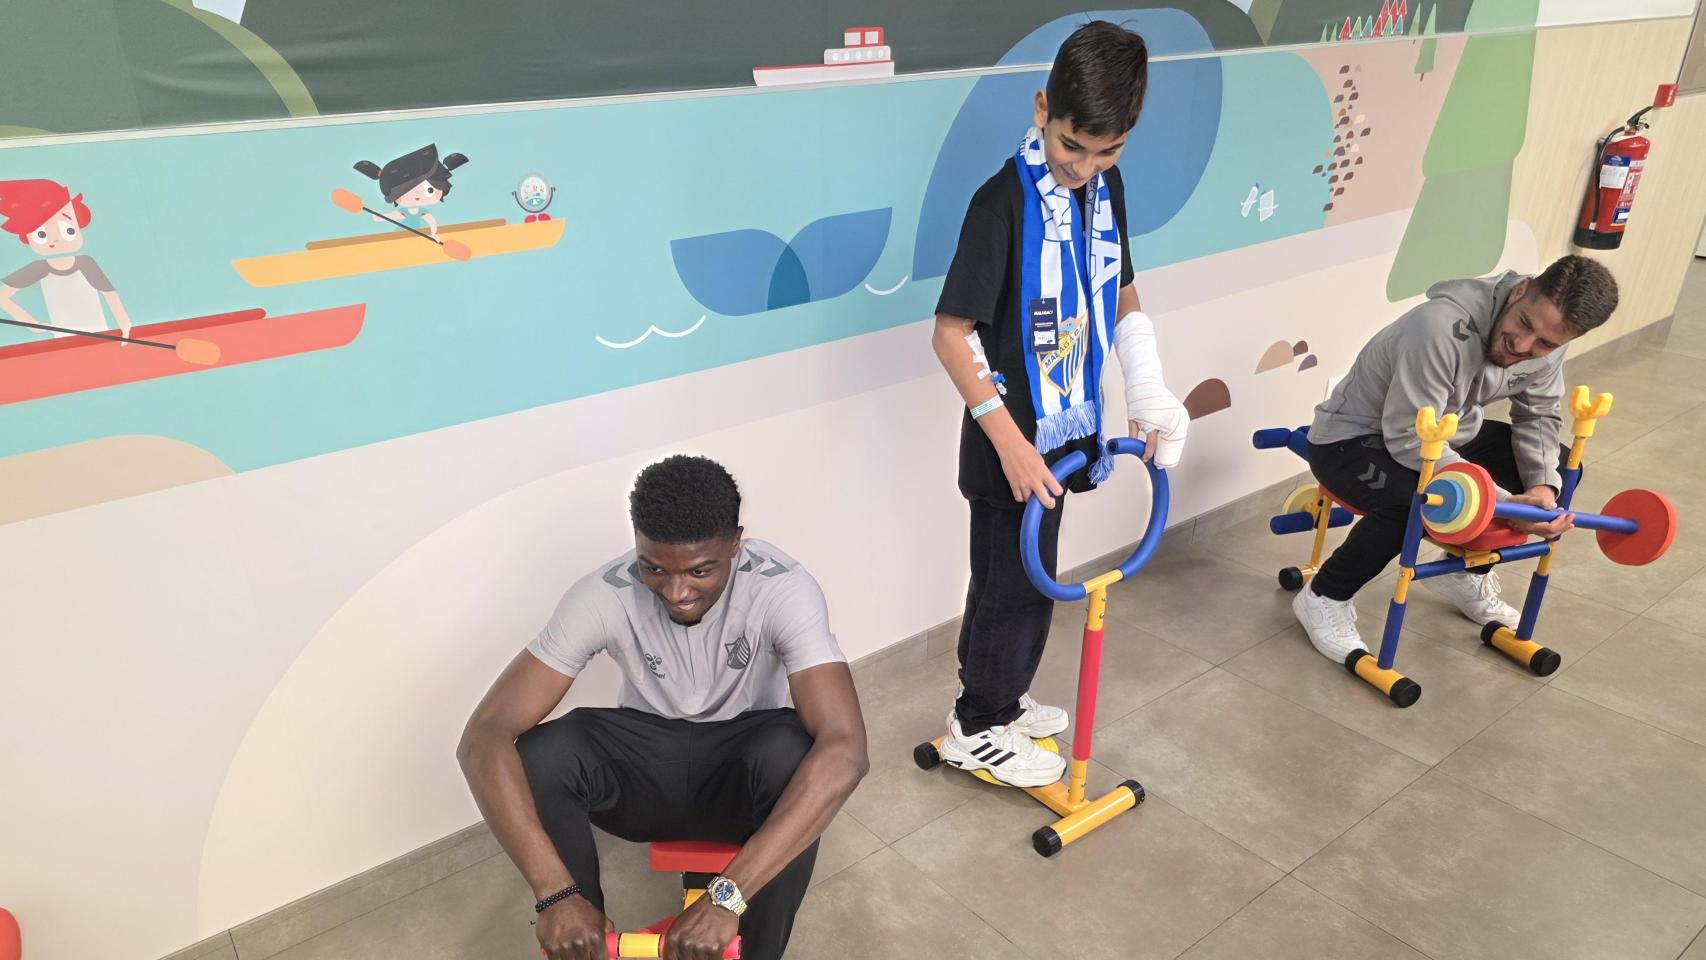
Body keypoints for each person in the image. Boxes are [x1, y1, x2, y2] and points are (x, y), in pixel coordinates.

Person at [457, 455, 867, 960]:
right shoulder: (603, 593)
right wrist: (553, 893)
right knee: (544, 753)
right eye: (654, 567)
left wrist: (726, 896)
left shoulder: (782, 587)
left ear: (735, 544)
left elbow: (846, 749)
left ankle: (756, 952)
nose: (677, 592)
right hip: (646, 773)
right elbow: (484, 735)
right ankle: (577, 936)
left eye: (701, 570)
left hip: (740, 777)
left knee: (796, 751)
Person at [929, 21, 1190, 788]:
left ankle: (996, 700)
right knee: (1013, 585)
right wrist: (1010, 443)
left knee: (1026, 575)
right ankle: (977, 724)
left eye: (1107, 151)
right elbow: (950, 334)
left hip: (1070, 424)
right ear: (1044, 108)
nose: (1083, 167)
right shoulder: (999, 202)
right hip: (1008, 436)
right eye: (1073, 146)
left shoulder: (1104, 189)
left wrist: (1145, 382)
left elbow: (1123, 286)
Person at [1292, 255, 1620, 662]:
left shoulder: (1548, 347)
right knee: (1413, 500)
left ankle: (1464, 573)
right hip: (1353, 438)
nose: (1523, 347)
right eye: (1524, 325)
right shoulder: (1438, 327)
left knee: (1562, 468)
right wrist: (1498, 500)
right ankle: (1324, 596)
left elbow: (1537, 415)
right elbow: (1408, 434)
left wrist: (1540, 490)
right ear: (1520, 291)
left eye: (1545, 344)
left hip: (1443, 435)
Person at [0, 179, 134, 339]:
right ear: (27, 238)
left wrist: (125, 324)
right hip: (64, 338)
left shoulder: (86, 263)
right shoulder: (38, 268)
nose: (55, 240)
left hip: (99, 332)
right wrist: (32, 324)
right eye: (41, 234)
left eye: (67, 230)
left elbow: (110, 294)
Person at [353, 143, 468, 238]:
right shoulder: (403, 213)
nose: (417, 194)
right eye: (406, 192)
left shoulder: (422, 212)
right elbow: (391, 217)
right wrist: (377, 217)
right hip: (403, 238)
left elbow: (431, 221)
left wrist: (434, 233)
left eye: (429, 190)